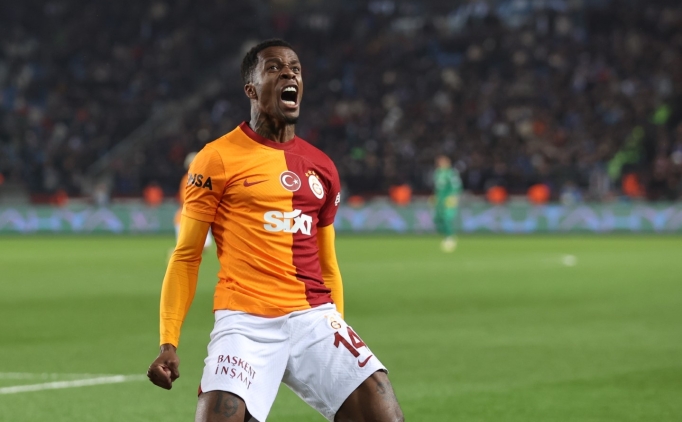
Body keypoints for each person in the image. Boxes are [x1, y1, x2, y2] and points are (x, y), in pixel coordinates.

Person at [147, 39, 404, 422]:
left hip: (314, 317)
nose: (289, 74)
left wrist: (336, 326)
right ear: (251, 89)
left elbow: (327, 264)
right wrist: (168, 341)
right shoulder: (216, 158)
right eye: (274, 68)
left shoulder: (322, 167)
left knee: (384, 415)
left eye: (295, 68)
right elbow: (186, 256)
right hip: (244, 321)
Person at [175, 152, 213, 250]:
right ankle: (174, 256)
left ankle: (174, 256)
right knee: (188, 248)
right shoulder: (188, 178)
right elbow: (184, 198)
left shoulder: (202, 178)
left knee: (202, 246)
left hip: (198, 216)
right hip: (187, 217)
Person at [433, 155, 462, 252]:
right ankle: (446, 236)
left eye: (442, 162)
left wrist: (453, 197)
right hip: (440, 200)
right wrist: (435, 197)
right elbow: (438, 188)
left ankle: (450, 237)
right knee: (437, 219)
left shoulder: (451, 173)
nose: (439, 164)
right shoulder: (437, 173)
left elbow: (456, 186)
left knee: (446, 218)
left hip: (448, 200)